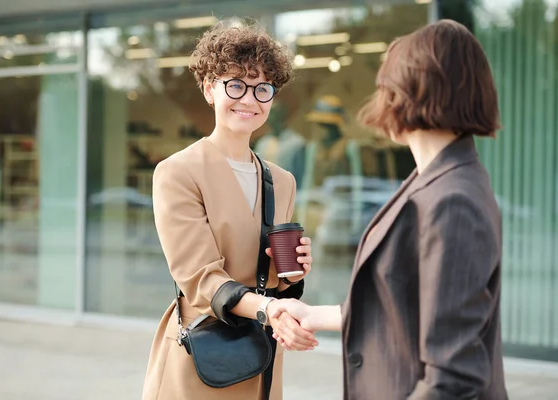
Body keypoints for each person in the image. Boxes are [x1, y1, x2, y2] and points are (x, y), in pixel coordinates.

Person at [268, 19, 509, 400]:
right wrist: (319, 315)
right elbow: (408, 307)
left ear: (409, 93)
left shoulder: (453, 200)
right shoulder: (431, 180)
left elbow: (453, 377)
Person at [142, 18, 317, 400]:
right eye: (235, 85)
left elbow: (273, 279)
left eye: (262, 88)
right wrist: (270, 308)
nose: (250, 99)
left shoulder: (281, 180)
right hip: (202, 353)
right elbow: (200, 278)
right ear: (209, 89)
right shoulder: (177, 172)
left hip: (262, 356)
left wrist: (294, 273)